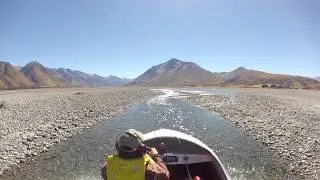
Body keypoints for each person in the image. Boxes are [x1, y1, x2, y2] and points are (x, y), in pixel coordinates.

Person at [101, 129, 170, 180]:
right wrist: (156, 156)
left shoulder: (107, 166)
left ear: (117, 147)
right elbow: (165, 176)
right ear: (141, 149)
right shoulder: (147, 168)